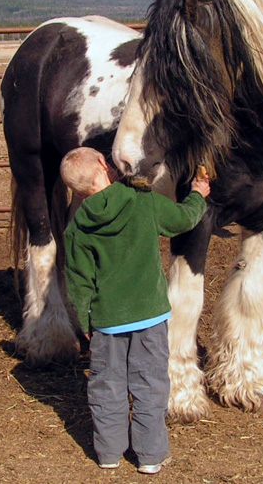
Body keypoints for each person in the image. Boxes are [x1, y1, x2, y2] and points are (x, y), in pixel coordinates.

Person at [60, 147, 210, 475]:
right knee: (151, 384)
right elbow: (182, 221)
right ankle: (150, 456)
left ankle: (109, 453)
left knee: (106, 385)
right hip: (150, 317)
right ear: (103, 164)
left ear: (76, 189)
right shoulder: (142, 200)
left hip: (107, 322)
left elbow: (79, 284)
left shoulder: (77, 230)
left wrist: (86, 321)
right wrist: (198, 195)